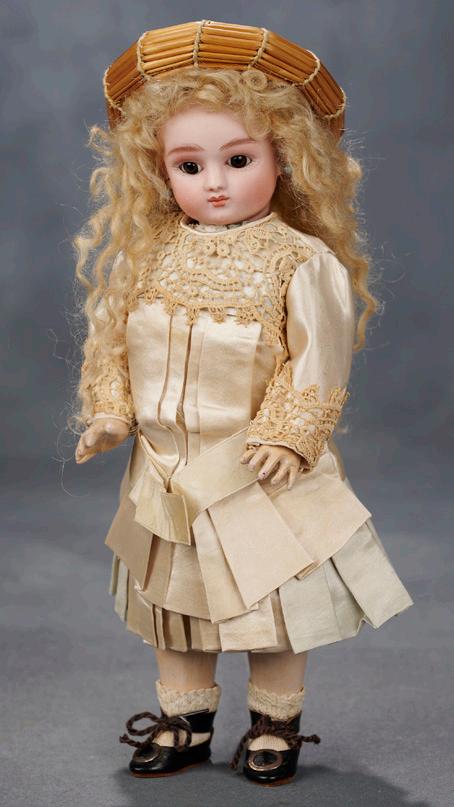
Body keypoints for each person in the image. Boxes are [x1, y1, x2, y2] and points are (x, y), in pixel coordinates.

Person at [72, 20, 413, 786]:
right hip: (165, 474)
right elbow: (115, 343)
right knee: (175, 605)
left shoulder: (300, 261)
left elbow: (317, 360)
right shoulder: (149, 254)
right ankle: (185, 718)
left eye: (238, 159)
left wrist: (291, 435)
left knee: (272, 605)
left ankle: (274, 723)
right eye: (189, 165)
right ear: (159, 167)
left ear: (282, 155)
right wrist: (110, 411)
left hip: (257, 471)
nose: (215, 182)